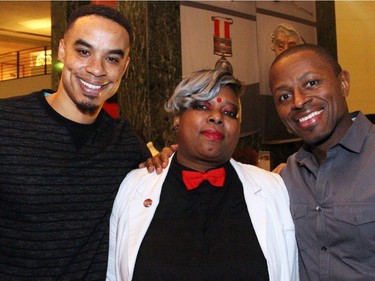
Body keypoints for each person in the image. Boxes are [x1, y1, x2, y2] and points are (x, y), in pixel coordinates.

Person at [0, 5, 152, 280]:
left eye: (112, 59)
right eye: (84, 51)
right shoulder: (6, 122)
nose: (96, 69)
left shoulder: (126, 143)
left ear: (125, 67)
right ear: (61, 50)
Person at [106, 68, 298, 281]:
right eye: (201, 106)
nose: (216, 117)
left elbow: (291, 270)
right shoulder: (134, 187)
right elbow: (113, 274)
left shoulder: (272, 188)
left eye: (229, 113)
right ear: (177, 119)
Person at [269, 43, 375, 280]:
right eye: (284, 96)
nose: (298, 101)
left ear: (344, 83)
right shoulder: (286, 178)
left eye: (311, 83)